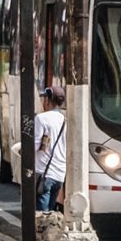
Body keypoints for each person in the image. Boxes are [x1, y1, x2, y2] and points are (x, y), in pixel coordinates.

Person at [32, 84, 68, 213]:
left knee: (41, 213)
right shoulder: (65, 120)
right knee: (50, 211)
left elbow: (35, 144)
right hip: (59, 174)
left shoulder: (41, 119)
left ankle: (41, 234)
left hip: (44, 173)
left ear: (47, 100)